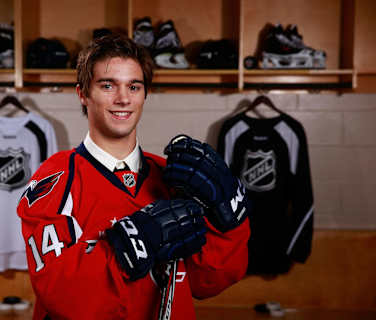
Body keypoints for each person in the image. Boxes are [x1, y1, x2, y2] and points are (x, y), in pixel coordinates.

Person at [17, 34, 250, 320]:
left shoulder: (173, 177)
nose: (123, 98)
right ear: (82, 94)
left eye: (134, 86)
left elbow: (209, 281)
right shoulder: (57, 177)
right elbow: (57, 293)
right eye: (107, 85)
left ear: (145, 94)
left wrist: (226, 218)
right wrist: (132, 242)